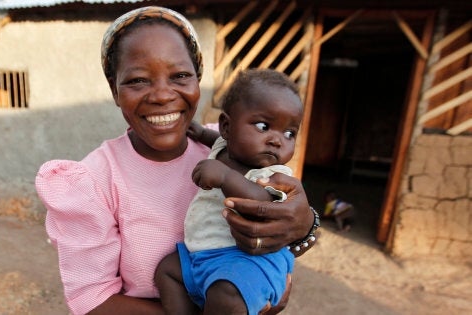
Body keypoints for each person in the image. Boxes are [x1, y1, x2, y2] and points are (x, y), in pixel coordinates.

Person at [35, 6, 318, 315]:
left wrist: (304, 227)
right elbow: (92, 300)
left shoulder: (232, 146)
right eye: (138, 80)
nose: (161, 95)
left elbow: (284, 208)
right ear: (114, 89)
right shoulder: (93, 181)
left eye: (180, 76)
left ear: (198, 79)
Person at [155, 69, 304, 315]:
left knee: (226, 295)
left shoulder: (275, 174)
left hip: (248, 261)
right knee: (167, 270)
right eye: (263, 126)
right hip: (203, 255)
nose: (277, 140)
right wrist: (201, 133)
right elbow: (216, 139)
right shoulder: (224, 146)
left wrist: (225, 177)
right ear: (226, 126)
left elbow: (264, 203)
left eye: (289, 134)